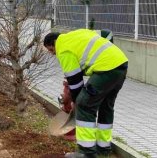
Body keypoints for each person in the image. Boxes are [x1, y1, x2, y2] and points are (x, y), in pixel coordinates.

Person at [43, 29, 128, 158]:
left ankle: (87, 153)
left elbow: (75, 81)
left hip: (106, 69)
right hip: (120, 64)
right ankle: (103, 149)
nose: (52, 54)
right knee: (106, 105)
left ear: (53, 43)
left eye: (51, 50)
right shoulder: (78, 34)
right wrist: (108, 55)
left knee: (84, 104)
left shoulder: (63, 49)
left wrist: (76, 103)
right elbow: (106, 33)